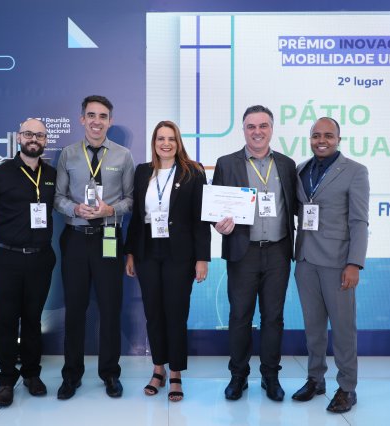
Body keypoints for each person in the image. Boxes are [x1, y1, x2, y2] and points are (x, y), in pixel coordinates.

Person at [212, 105, 297, 401]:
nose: (257, 131)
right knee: (240, 316)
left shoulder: (287, 164)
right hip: (242, 251)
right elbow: (215, 207)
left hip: (278, 251)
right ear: (243, 130)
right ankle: (238, 376)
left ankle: (270, 376)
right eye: (251, 126)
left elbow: (296, 206)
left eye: (263, 126)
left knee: (273, 317)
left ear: (271, 129)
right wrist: (218, 224)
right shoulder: (227, 163)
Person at [54, 95, 134, 399]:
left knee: (110, 309)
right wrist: (75, 209)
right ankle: (71, 375)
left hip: (109, 238)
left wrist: (110, 210)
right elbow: (57, 197)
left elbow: (131, 199)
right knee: (75, 309)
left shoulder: (123, 156)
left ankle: (110, 374)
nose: (96, 121)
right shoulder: (68, 154)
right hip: (75, 238)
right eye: (91, 115)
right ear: (82, 119)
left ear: (110, 121)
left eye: (102, 116)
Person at [124, 121, 211, 402]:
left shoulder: (193, 172)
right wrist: (130, 252)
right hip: (147, 250)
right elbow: (136, 217)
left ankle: (175, 373)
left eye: (171, 139)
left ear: (178, 142)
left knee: (176, 313)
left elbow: (201, 219)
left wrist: (202, 258)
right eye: (161, 138)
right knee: (153, 313)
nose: (166, 143)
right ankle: (158, 369)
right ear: (154, 142)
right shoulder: (142, 171)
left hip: (180, 253)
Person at [0, 118, 57, 407]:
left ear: (45, 141)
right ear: (19, 137)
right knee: (6, 322)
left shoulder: (52, 175)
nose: (34, 139)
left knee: (33, 321)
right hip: (6, 259)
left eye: (40, 135)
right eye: (29, 134)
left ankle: (32, 375)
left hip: (41, 259)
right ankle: (6, 380)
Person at [292, 117, 369, 413]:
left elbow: (359, 221)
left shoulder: (355, 171)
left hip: (338, 263)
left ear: (338, 138)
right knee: (313, 327)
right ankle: (316, 379)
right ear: (310, 138)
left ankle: (347, 388)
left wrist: (354, 263)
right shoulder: (301, 169)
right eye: (316, 135)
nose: (321, 140)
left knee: (343, 328)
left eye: (328, 135)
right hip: (305, 260)